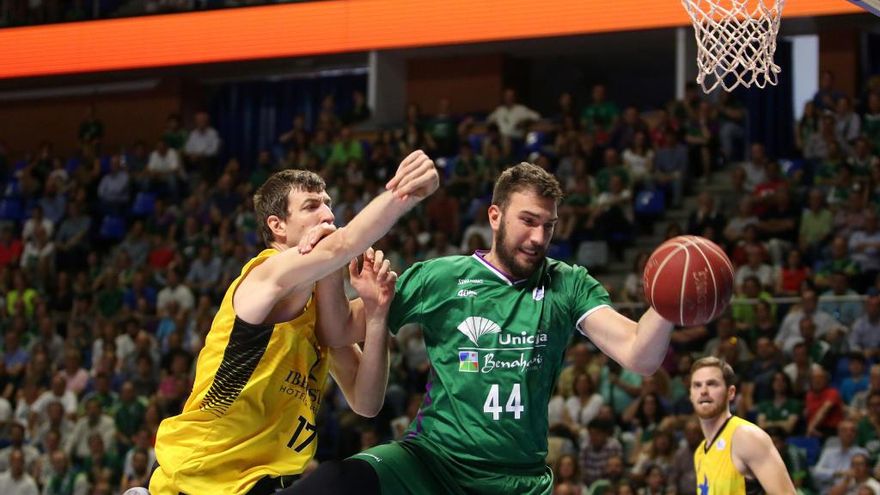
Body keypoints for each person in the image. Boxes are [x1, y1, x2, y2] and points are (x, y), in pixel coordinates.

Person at [290, 162, 679, 495]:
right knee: (334, 480)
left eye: (549, 225)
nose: (539, 238)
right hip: (432, 463)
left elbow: (639, 355)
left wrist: (668, 302)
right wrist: (329, 257)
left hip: (518, 479)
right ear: (495, 216)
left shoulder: (568, 284)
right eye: (528, 221)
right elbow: (339, 330)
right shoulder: (440, 278)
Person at [148, 150, 439, 494]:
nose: (329, 214)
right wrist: (404, 195)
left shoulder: (321, 310)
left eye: (328, 204)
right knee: (344, 480)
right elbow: (341, 246)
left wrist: (376, 320)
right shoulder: (265, 273)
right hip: (202, 479)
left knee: (361, 474)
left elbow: (366, 400)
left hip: (264, 485)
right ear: (277, 226)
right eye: (312, 206)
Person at [689, 356, 796, 494]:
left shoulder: (746, 437)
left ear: (731, 392)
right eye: (697, 385)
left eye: (712, 384)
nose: (703, 391)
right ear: (691, 395)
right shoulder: (700, 453)